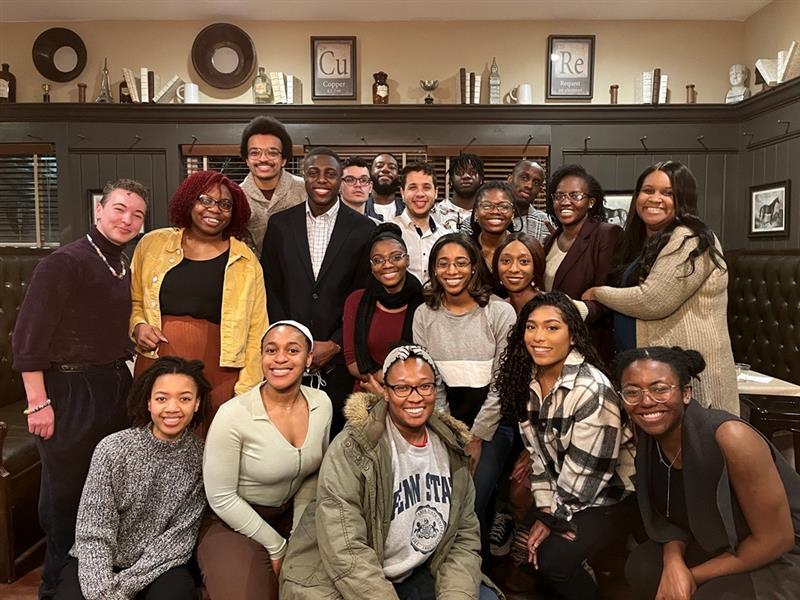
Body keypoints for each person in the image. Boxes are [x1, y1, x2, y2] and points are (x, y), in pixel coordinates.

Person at [12, 178, 148, 599]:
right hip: (68, 390)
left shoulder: (122, 264)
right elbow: (27, 339)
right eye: (120, 208)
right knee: (67, 493)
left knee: (109, 489)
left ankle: (96, 580)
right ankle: (57, 586)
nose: (128, 219)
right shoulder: (63, 263)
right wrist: (38, 405)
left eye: (138, 214)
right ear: (99, 211)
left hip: (113, 384)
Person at [279, 344, 503, 600]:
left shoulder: (452, 447)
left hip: (417, 571)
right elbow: (345, 549)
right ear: (385, 392)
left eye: (424, 386)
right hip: (345, 578)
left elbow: (462, 538)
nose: (415, 397)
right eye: (402, 388)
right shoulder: (353, 447)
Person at [617, 346, 800, 600]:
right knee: (644, 567)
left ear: (686, 393)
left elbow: (777, 540)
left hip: (780, 553)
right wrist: (674, 563)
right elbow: (669, 517)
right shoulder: (649, 439)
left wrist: (692, 575)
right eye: (632, 392)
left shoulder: (731, 437)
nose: (646, 402)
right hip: (717, 538)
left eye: (660, 389)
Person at [494, 291, 636, 600]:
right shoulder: (528, 380)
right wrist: (546, 508)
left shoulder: (591, 391)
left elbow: (587, 478)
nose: (538, 337)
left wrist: (550, 519)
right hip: (564, 489)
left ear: (573, 336)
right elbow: (538, 458)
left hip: (609, 498)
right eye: (531, 327)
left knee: (551, 560)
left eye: (552, 327)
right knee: (527, 551)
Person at [583, 160, 738, 413]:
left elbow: (653, 301)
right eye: (648, 190)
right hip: (649, 374)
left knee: (693, 447)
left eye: (667, 193)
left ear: (683, 199)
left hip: (686, 376)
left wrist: (598, 293)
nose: (655, 199)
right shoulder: (645, 241)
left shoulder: (690, 239)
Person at [198, 320, 332, 600]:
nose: (280, 358)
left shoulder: (322, 404)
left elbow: (312, 473)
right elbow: (221, 497)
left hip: (291, 516)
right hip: (232, 522)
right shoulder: (233, 414)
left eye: (292, 350)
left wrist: (299, 534)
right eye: (271, 350)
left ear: (308, 358)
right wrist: (277, 546)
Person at [55, 356, 209, 600]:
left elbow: (178, 538)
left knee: (176, 593)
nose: (172, 408)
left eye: (185, 398)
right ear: (148, 402)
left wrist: (126, 586)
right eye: (162, 398)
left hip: (159, 566)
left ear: (197, 403)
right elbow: (93, 530)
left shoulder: (202, 458)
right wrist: (103, 594)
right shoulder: (113, 449)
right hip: (100, 562)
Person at [130, 170, 268, 429]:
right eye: (205, 199)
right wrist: (138, 326)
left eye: (225, 204)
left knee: (210, 444)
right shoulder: (152, 244)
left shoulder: (246, 262)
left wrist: (247, 389)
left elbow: (256, 331)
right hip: (157, 360)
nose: (215, 209)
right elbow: (134, 302)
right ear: (189, 201)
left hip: (220, 369)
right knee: (154, 443)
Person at [412, 233, 517, 555]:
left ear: (474, 267)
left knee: (471, 500)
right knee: (450, 503)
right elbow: (430, 382)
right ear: (433, 270)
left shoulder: (500, 313)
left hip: (494, 427)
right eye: (443, 263)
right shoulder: (424, 315)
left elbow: (502, 383)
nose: (451, 270)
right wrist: (452, 432)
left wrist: (476, 437)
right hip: (444, 425)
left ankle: (480, 576)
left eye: (460, 262)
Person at [261, 147, 375, 435]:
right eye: (313, 173)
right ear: (304, 177)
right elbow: (271, 286)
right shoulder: (280, 225)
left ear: (340, 180)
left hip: (337, 360)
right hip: (287, 358)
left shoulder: (364, 228)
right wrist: (291, 341)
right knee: (288, 438)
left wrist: (335, 343)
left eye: (330, 174)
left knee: (336, 440)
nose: (321, 180)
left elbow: (364, 292)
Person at [543, 164, 620, 360]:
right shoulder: (550, 240)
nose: (565, 202)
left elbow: (609, 296)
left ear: (591, 202)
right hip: (550, 342)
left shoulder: (606, 234)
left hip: (587, 345)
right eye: (559, 196)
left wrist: (573, 309)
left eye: (575, 195)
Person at [342, 223, 424, 394]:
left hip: (413, 394)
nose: (387, 265)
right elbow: (352, 362)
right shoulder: (356, 300)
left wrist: (393, 390)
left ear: (407, 260)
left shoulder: (424, 302)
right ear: (371, 267)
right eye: (378, 260)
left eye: (396, 257)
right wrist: (381, 382)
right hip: (366, 392)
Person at [239, 115, 306, 257]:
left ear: (283, 159)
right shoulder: (237, 196)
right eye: (255, 153)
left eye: (272, 153)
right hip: (254, 274)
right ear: (247, 159)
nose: (263, 159)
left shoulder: (304, 190)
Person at [391, 162, 448, 284]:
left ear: (436, 192)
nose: (420, 194)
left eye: (426, 187)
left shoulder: (446, 236)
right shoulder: (388, 232)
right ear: (402, 193)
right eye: (413, 187)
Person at [468, 181, 518, 296]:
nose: (495, 211)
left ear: (513, 213)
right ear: (476, 212)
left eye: (503, 206)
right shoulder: (465, 248)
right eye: (486, 206)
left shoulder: (522, 247)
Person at [494, 232, 546, 314]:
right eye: (506, 261)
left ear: (536, 266)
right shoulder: (496, 310)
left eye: (524, 261)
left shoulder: (553, 306)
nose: (513, 269)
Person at [432, 153, 484, 231]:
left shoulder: (487, 212)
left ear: (481, 180)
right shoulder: (435, 213)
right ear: (451, 181)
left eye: (472, 172)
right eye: (459, 173)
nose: (466, 176)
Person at [506, 159, 554, 244]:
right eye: (524, 178)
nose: (529, 185)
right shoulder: (492, 215)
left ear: (540, 190)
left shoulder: (546, 223)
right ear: (510, 179)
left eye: (536, 183)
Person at [366, 152, 405, 221]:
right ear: (370, 174)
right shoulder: (359, 209)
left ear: (398, 176)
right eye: (379, 166)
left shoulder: (408, 210)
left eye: (392, 167)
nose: (385, 169)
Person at [339, 155, 377, 221]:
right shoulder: (327, 225)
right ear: (339, 186)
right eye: (350, 180)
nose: (358, 185)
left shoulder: (377, 227)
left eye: (364, 180)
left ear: (370, 187)